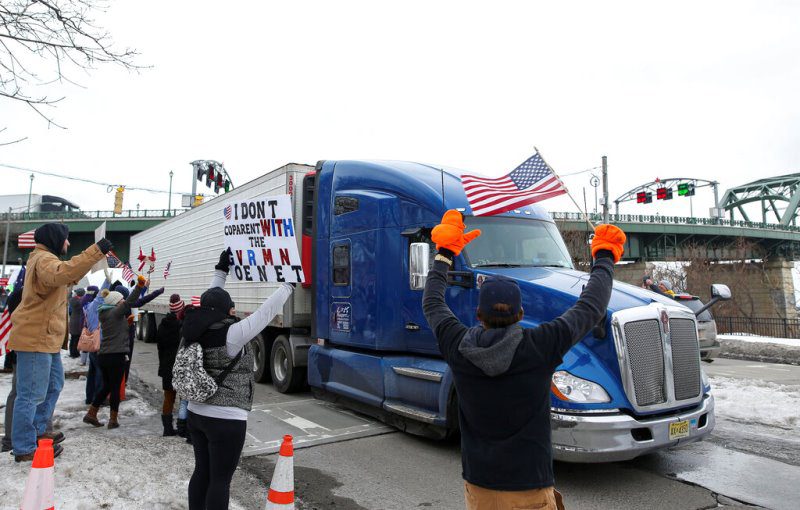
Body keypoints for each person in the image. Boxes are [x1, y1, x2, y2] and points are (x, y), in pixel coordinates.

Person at [422, 210, 625, 510]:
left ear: (479, 315)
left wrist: (444, 254)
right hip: (530, 487)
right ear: (520, 315)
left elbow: (433, 303)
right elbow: (591, 306)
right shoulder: (539, 346)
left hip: (480, 487)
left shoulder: (459, 346)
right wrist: (605, 256)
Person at [185, 250, 293, 510]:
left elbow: (211, 300)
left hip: (195, 412)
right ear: (224, 310)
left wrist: (220, 272)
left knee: (202, 472)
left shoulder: (191, 329)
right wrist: (288, 285)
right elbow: (265, 314)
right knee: (221, 480)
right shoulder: (232, 334)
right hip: (227, 419)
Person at [8, 223, 111, 462]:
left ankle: (39, 432)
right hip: (36, 339)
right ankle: (25, 446)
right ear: (55, 239)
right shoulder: (44, 259)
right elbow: (61, 273)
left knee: (54, 385)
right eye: (66, 239)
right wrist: (95, 251)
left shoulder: (45, 260)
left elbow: (65, 276)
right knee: (30, 394)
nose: (68, 244)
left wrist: (90, 261)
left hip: (46, 339)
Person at [82, 276, 145, 429]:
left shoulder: (105, 314)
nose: (123, 302)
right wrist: (139, 287)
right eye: (121, 300)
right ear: (115, 303)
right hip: (115, 356)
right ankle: (113, 420)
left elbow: (116, 328)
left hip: (104, 356)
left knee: (107, 386)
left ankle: (91, 413)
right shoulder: (116, 313)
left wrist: (126, 324)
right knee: (115, 388)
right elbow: (130, 301)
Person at [156, 294, 185, 436]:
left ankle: (167, 428)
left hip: (167, 365)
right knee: (185, 397)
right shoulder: (182, 325)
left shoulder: (163, 324)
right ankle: (182, 427)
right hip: (180, 366)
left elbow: (159, 346)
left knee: (169, 397)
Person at [68, 287, 86, 358]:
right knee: (76, 338)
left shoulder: (72, 300)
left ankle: (72, 352)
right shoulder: (80, 301)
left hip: (73, 320)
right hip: (78, 321)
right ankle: (75, 353)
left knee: (73, 338)